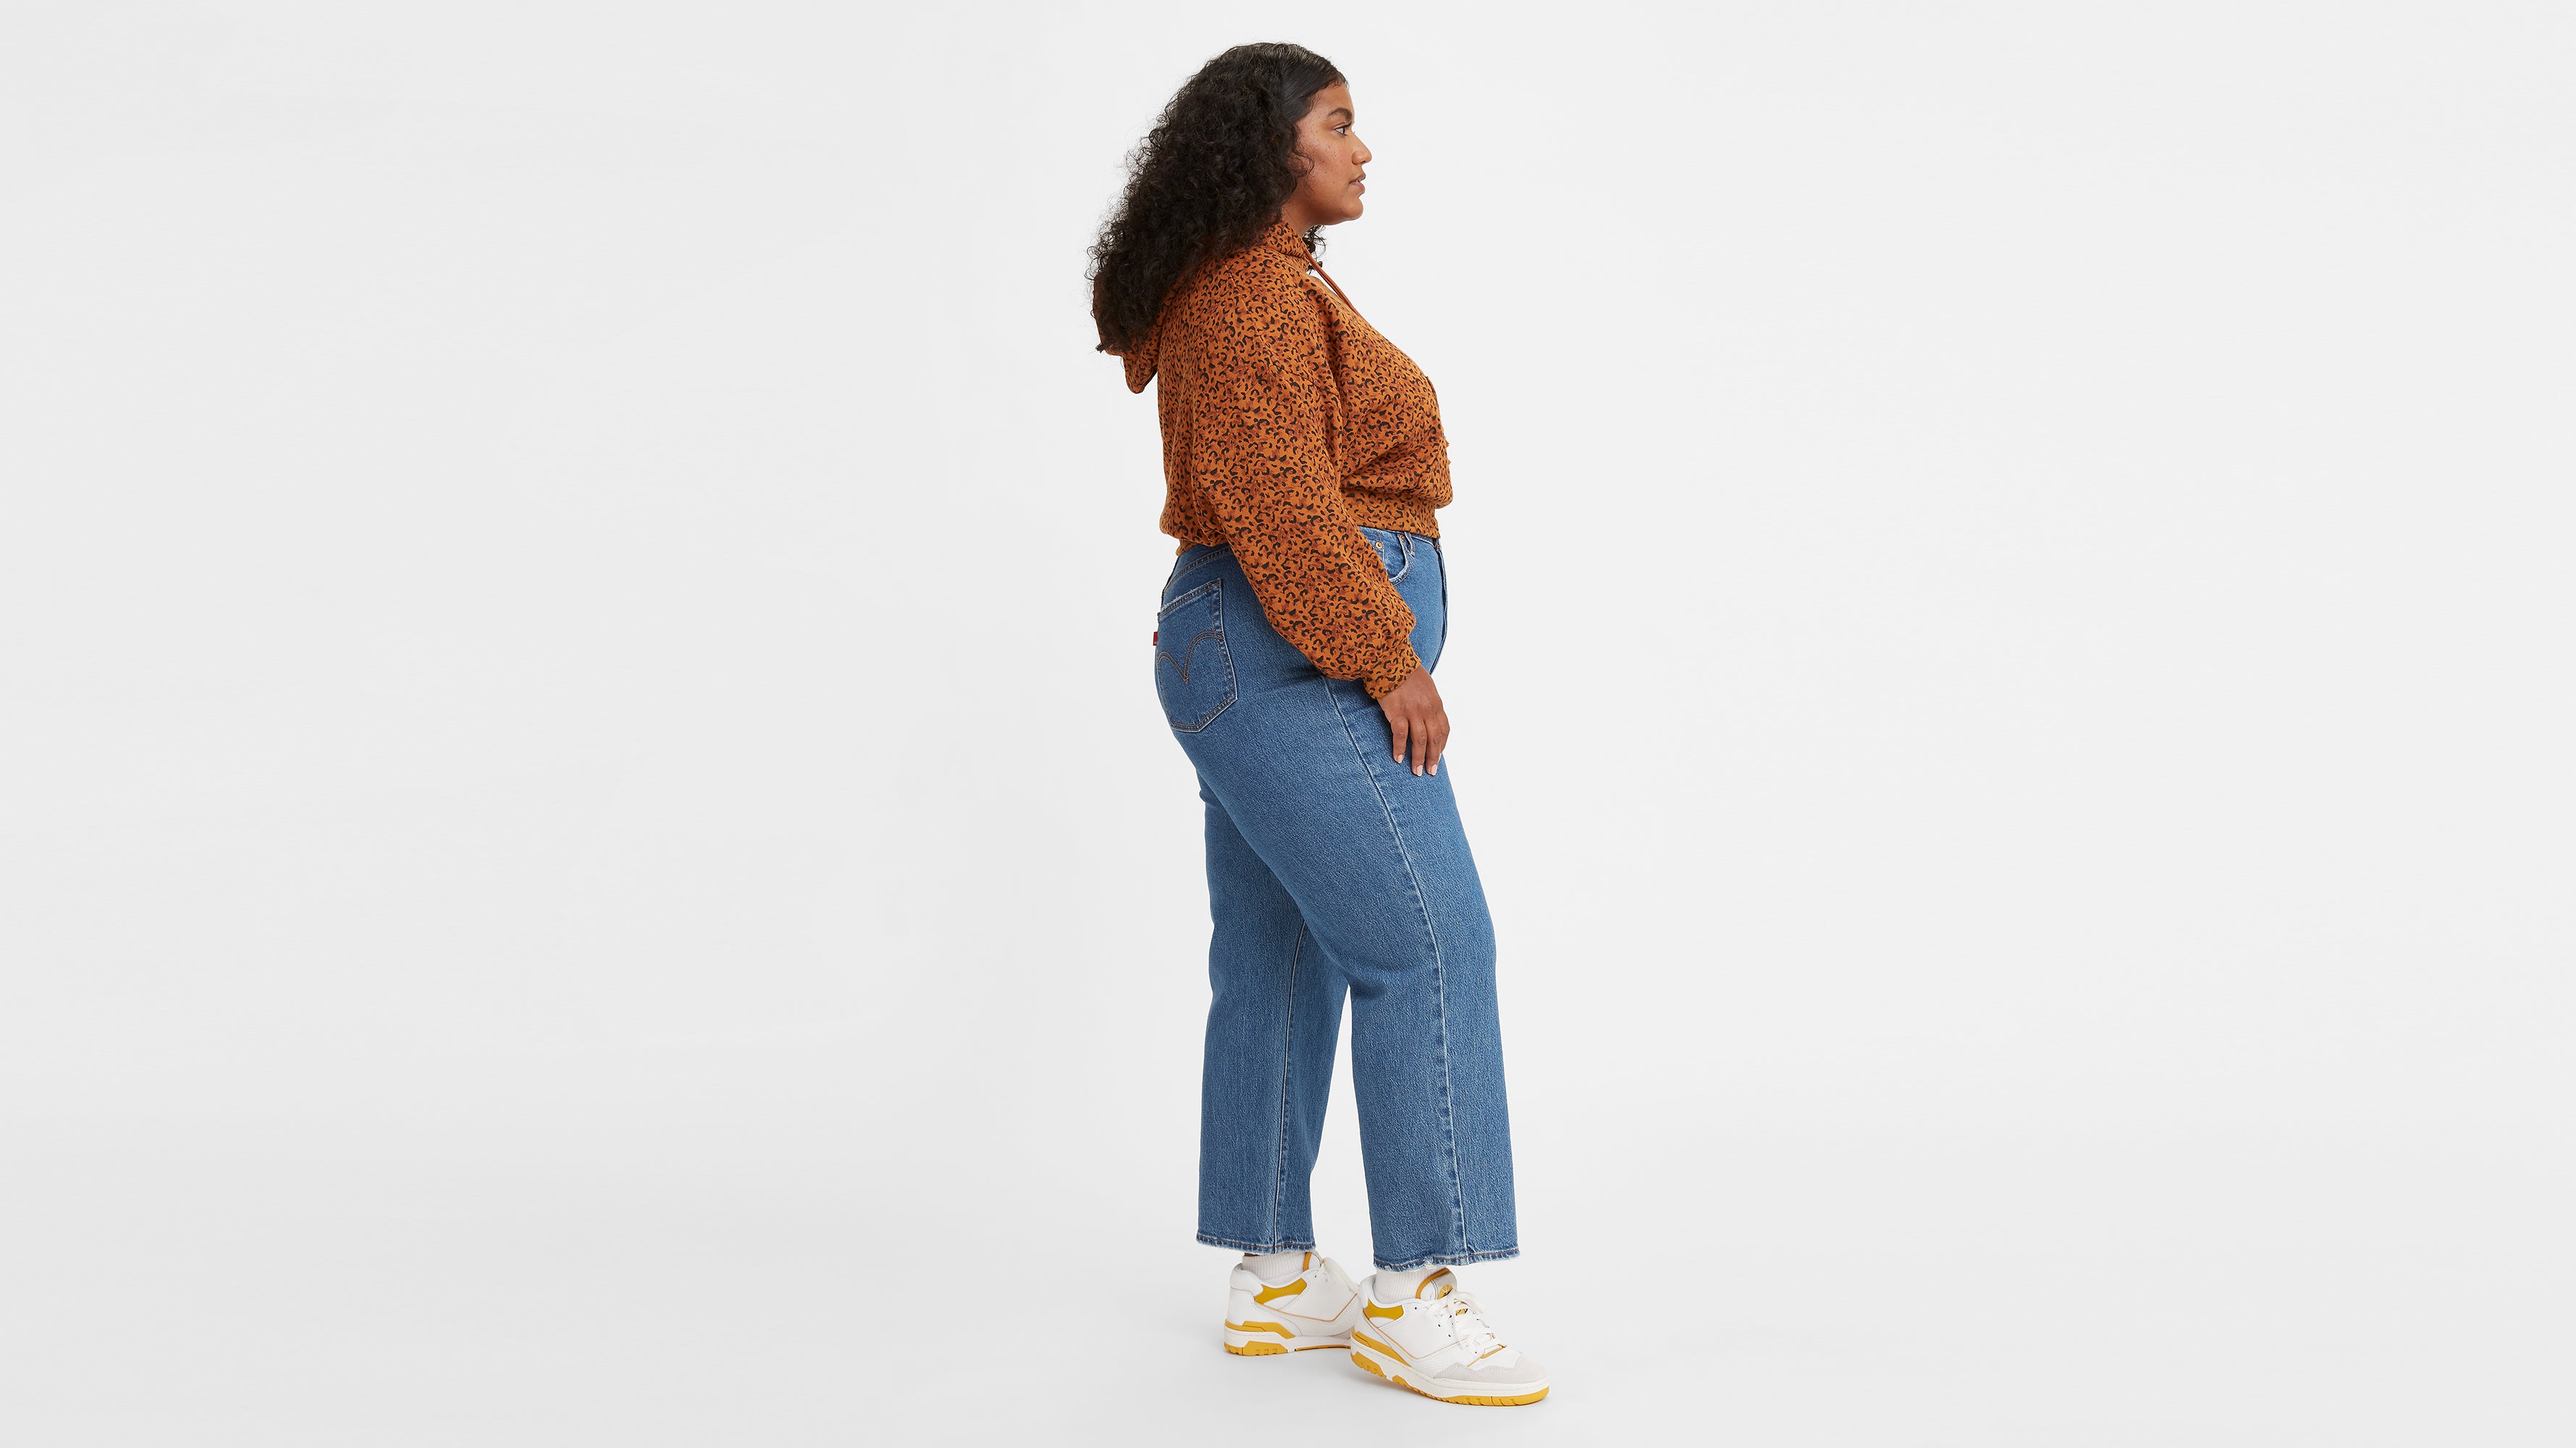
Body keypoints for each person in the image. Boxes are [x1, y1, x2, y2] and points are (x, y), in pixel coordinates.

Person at [1090, 43, 1547, 1407]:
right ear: (1268, 147)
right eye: (1338, 124)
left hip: (1254, 648)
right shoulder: (1247, 298)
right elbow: (1280, 504)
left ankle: (1280, 1277)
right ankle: (1417, 1290)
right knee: (1429, 945)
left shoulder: (1267, 286)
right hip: (1290, 651)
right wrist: (1384, 657)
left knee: (1280, 955)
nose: (1362, 149)